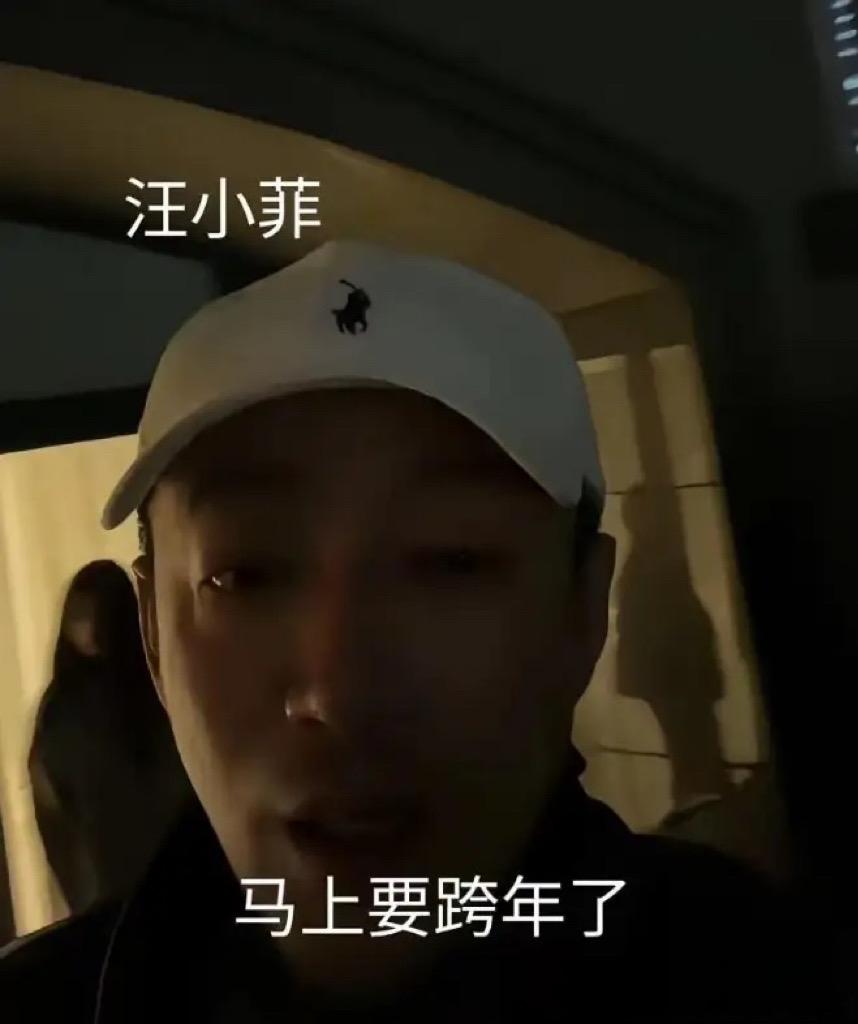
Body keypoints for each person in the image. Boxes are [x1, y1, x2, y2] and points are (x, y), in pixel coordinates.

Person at [1, 241, 839, 1021]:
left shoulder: (770, 981)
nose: (342, 691)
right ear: (152, 631)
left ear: (582, 611)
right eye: (245, 575)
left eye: (452, 563)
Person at [27, 560, 190, 916]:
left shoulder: (155, 695)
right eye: (80, 613)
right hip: (112, 894)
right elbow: (55, 815)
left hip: (162, 884)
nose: (87, 627)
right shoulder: (64, 709)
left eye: (97, 613)